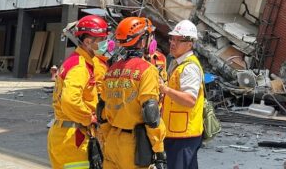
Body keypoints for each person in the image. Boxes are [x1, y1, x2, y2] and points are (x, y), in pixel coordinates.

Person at [101, 16, 167, 169]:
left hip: (111, 140)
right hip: (135, 146)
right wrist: (159, 150)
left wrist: (105, 137)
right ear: (142, 40)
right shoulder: (147, 70)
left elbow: (101, 110)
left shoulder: (111, 70)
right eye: (150, 36)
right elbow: (151, 113)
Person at [47, 14, 109, 169]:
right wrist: (90, 118)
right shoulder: (80, 66)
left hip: (66, 133)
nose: (105, 43)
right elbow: (69, 100)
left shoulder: (79, 61)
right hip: (74, 137)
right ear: (88, 42)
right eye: (101, 40)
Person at [160, 19, 205, 169]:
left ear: (190, 43)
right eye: (172, 39)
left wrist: (165, 90)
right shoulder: (177, 63)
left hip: (184, 134)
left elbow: (190, 100)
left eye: (179, 40)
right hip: (177, 132)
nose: (173, 43)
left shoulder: (189, 67)